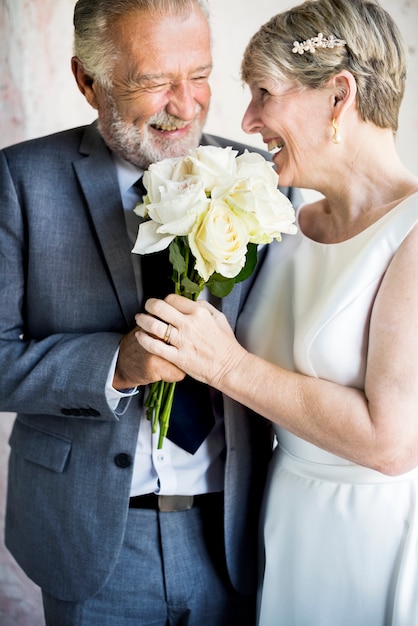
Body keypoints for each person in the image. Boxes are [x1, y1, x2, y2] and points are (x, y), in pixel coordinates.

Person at [0, 1, 299, 624]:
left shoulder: (263, 183)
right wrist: (116, 364)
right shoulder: (19, 179)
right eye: (153, 81)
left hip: (235, 537)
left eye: (199, 75)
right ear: (88, 81)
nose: (186, 105)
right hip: (87, 539)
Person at [134, 0, 418, 624]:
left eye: (263, 92)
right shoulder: (282, 219)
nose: (246, 119)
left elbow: (391, 441)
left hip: (365, 534)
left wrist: (225, 364)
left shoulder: (413, 234)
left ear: (338, 97)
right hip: (282, 516)